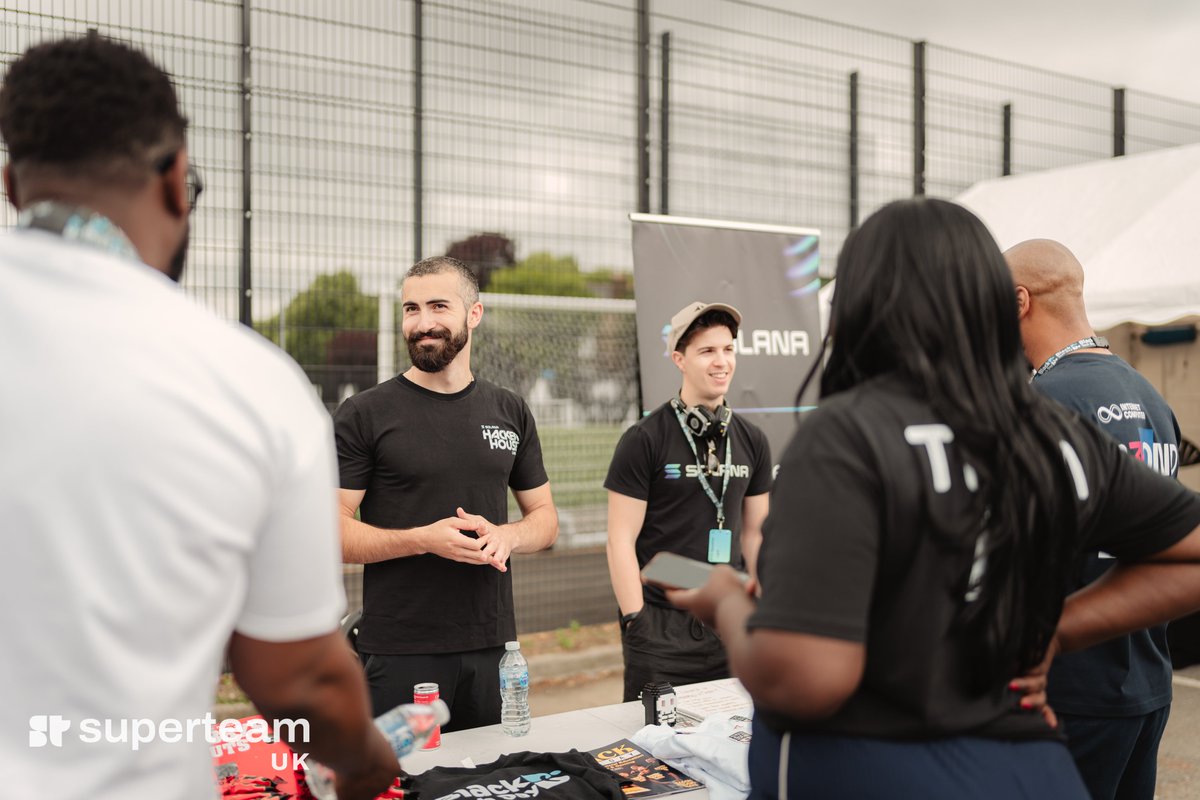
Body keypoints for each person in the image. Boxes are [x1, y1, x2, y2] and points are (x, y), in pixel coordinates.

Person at [668, 198, 1200, 800]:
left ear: (862, 305)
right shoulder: (1051, 434)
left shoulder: (851, 436)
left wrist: (725, 604)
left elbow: (807, 680)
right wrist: (1057, 631)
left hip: (871, 770)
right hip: (1030, 768)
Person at [0, 35, 398, 800]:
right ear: (178, 182)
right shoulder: (247, 383)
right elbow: (299, 678)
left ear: (13, 184)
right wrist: (365, 761)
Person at [334, 256, 558, 729]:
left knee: (490, 780)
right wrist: (422, 539)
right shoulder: (365, 414)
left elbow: (544, 517)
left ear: (474, 315)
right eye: (411, 309)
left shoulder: (509, 409)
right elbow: (328, 531)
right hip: (400, 652)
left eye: (439, 306)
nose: (423, 323)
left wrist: (509, 536)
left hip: (493, 648)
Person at [1007, 238, 1181, 800]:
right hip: (1147, 680)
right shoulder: (1149, 396)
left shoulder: (1042, 402)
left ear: (1019, 301)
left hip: (1067, 690)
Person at [605, 302, 771, 701]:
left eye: (728, 349)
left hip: (730, 626)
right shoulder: (645, 438)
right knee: (653, 754)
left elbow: (756, 536)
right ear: (679, 359)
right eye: (707, 351)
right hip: (661, 631)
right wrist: (636, 620)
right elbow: (619, 539)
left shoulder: (752, 440)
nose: (722, 362)